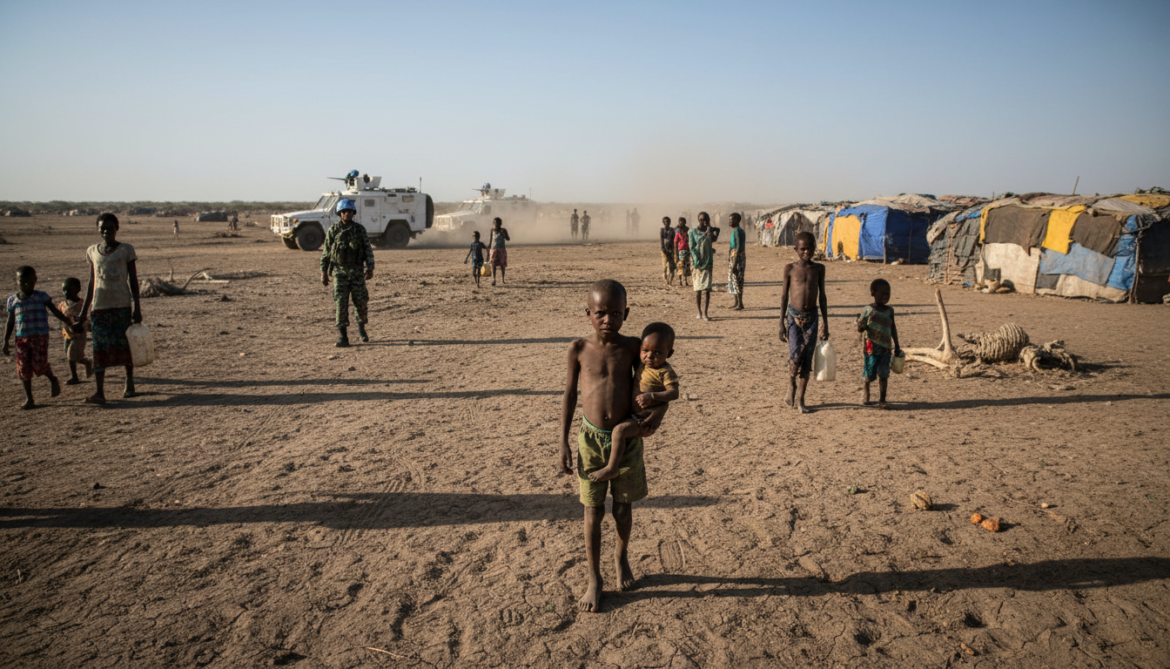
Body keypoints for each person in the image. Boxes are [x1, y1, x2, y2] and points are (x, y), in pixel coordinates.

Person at [559, 280, 662, 613]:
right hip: (590, 441)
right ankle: (594, 579)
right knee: (592, 510)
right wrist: (562, 440)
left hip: (627, 440)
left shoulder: (634, 348)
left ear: (626, 313)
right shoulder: (577, 348)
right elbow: (571, 395)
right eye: (600, 313)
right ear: (588, 313)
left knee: (622, 507)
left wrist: (655, 417)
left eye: (615, 313)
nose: (607, 320)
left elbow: (658, 382)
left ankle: (620, 557)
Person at [589, 322, 678, 484]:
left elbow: (674, 393)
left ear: (669, 353)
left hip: (644, 418)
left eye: (657, 353)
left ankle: (612, 468)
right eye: (645, 351)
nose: (650, 356)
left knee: (619, 431)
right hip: (633, 413)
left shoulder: (666, 372)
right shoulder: (641, 364)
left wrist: (652, 397)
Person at [76, 213, 142, 404]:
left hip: (121, 306)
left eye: (110, 228)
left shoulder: (126, 250)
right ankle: (99, 392)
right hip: (99, 308)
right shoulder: (92, 251)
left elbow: (134, 281)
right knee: (99, 349)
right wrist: (82, 313)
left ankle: (129, 382)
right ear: (97, 229)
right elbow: (91, 282)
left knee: (125, 346)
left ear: (117, 228)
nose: (106, 231)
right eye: (102, 228)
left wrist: (137, 308)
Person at [4, 267, 69, 409]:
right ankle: (29, 399)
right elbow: (10, 322)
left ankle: (52, 379)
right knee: (23, 368)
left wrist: (67, 321)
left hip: (40, 337)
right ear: (17, 281)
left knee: (39, 364)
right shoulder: (12, 300)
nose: (26, 284)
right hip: (21, 338)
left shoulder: (41, 296)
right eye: (22, 281)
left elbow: (54, 311)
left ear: (35, 281)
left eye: (30, 281)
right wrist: (5, 341)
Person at [780, 231, 830, 413]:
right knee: (794, 358)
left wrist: (826, 322)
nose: (807, 252)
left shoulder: (819, 269)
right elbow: (784, 296)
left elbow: (822, 297)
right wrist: (781, 323)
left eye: (810, 249)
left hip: (812, 319)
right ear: (796, 249)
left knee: (807, 361)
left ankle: (801, 400)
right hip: (793, 317)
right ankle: (791, 383)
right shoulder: (790, 269)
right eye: (803, 249)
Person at [320, 199, 375, 347]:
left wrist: (370, 267)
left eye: (349, 211)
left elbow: (368, 250)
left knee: (361, 301)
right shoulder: (333, 231)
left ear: (353, 213)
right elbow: (326, 253)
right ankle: (342, 336)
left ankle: (361, 327)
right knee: (341, 303)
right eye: (344, 212)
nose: (347, 214)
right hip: (339, 272)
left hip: (357, 272)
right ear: (340, 213)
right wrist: (323, 272)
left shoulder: (360, 230)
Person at [857, 278, 901, 409]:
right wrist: (860, 325)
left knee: (884, 374)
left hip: (886, 348)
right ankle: (866, 389)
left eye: (887, 293)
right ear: (873, 293)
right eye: (881, 293)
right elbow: (861, 328)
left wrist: (897, 345)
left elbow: (893, 327)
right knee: (870, 373)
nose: (885, 296)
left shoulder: (890, 311)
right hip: (870, 347)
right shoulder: (868, 310)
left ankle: (882, 400)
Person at [58, 277, 93, 384]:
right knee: (70, 357)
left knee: (72, 356)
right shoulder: (62, 305)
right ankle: (75, 376)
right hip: (67, 335)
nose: (65, 292)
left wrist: (89, 328)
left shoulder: (83, 305)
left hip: (79, 335)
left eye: (68, 290)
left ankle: (88, 362)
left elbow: (88, 319)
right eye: (64, 290)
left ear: (77, 290)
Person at [688, 212, 720, 320]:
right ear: (698, 220)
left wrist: (710, 229)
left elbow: (716, 236)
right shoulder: (692, 232)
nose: (703, 221)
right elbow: (692, 247)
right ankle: (699, 312)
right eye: (701, 219)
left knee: (707, 290)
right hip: (697, 264)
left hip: (708, 263)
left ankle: (706, 313)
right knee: (698, 290)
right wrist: (696, 260)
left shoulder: (709, 232)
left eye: (705, 219)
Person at [727, 212, 746, 310]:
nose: (730, 221)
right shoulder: (735, 231)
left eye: (732, 220)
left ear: (738, 220)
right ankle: (736, 302)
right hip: (734, 257)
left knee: (737, 280)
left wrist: (734, 263)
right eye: (729, 220)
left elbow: (738, 247)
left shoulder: (738, 231)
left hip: (737, 258)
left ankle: (740, 304)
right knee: (733, 280)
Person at [487, 217, 510, 285]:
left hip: (501, 249)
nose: (497, 224)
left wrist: (504, 235)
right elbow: (491, 240)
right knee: (493, 265)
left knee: (502, 265)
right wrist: (488, 249)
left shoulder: (503, 230)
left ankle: (503, 279)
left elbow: (508, 238)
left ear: (500, 223)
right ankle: (494, 279)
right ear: (494, 223)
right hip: (493, 249)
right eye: (496, 223)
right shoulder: (492, 230)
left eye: (498, 223)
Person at [659, 217, 676, 285]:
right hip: (664, 250)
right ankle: (666, 278)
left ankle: (671, 280)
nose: (666, 223)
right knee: (665, 266)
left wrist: (673, 250)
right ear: (663, 223)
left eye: (668, 222)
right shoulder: (662, 230)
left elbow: (674, 240)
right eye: (665, 222)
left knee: (671, 266)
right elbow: (662, 241)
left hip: (671, 250)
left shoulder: (672, 230)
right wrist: (663, 249)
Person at [674, 217, 691, 288]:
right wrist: (675, 253)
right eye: (680, 222)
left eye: (682, 222)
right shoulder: (677, 232)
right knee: (680, 265)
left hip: (687, 250)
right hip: (680, 251)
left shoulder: (688, 231)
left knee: (687, 265)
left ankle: (686, 280)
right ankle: (681, 281)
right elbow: (675, 242)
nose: (681, 223)